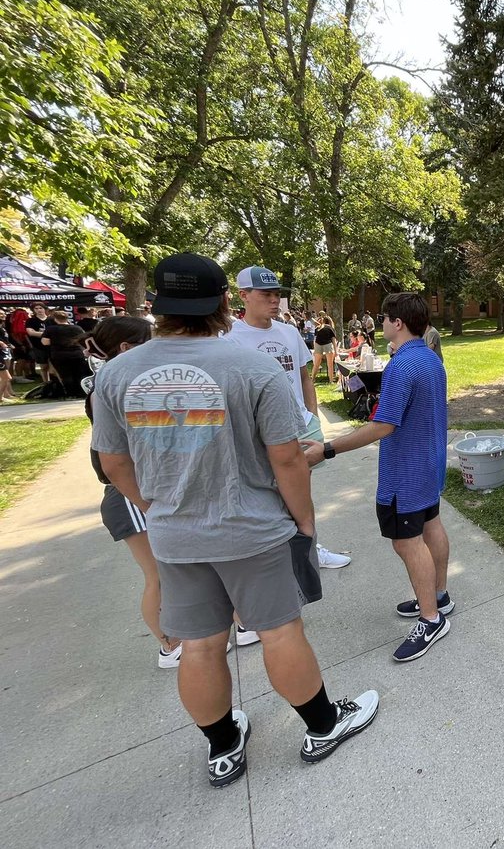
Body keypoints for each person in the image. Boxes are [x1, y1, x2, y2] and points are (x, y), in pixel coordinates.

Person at [90, 252, 379, 789]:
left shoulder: (116, 374)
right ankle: (323, 726)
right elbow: (288, 458)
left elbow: (113, 463)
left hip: (175, 536)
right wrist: (305, 523)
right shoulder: (251, 368)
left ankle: (223, 746)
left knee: (199, 645)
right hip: (252, 529)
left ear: (157, 305)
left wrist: (156, 509)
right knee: (279, 631)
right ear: (225, 301)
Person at [303, 292, 453, 663]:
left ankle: (431, 619)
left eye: (384, 318)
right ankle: (438, 596)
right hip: (429, 463)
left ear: (397, 322)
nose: (381, 323)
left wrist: (327, 449)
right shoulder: (431, 359)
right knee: (431, 525)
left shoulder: (402, 366)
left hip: (406, 472)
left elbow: (383, 425)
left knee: (406, 542)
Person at [225, 265, 351, 573]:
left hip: (299, 425)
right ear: (244, 296)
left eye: (276, 294)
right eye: (266, 295)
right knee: (267, 495)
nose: (274, 301)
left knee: (302, 491)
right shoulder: (230, 339)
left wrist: (313, 416)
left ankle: (310, 550)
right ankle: (277, 558)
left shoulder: (289, 332)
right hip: (258, 432)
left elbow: (304, 377)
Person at [81, 316, 188, 666]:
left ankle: (183, 637)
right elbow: (115, 459)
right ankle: (170, 645)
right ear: (126, 348)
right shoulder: (108, 388)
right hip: (128, 494)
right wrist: (148, 505)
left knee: (174, 571)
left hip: (141, 489)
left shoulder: (121, 382)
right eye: (149, 341)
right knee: (158, 574)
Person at [42, 309, 90, 397]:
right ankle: (81, 392)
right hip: (77, 353)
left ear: (55, 319)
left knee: (65, 375)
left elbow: (45, 342)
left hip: (59, 355)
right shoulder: (77, 328)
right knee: (79, 373)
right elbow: (83, 339)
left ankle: (70, 393)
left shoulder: (50, 329)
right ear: (67, 318)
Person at [24, 302, 51, 383]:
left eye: (40, 308)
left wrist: (39, 333)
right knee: (44, 366)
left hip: (52, 346)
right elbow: (31, 333)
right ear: (33, 310)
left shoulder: (51, 319)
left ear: (44, 309)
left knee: (53, 366)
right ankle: (46, 383)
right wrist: (48, 334)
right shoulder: (31, 320)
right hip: (38, 346)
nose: (39, 310)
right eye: (36, 308)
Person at [312, 315, 337, 382]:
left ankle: (313, 379)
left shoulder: (318, 328)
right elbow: (334, 340)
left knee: (316, 363)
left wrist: (314, 349)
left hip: (318, 344)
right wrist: (336, 351)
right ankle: (331, 380)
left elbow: (315, 340)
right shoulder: (331, 328)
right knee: (330, 364)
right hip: (327, 344)